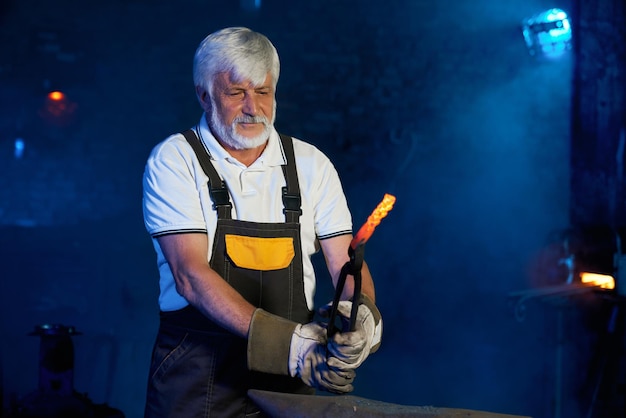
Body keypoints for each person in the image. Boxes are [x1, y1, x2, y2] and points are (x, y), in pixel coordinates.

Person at [142, 27, 383, 418]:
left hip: (294, 376)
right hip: (198, 374)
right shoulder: (175, 160)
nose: (252, 107)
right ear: (205, 96)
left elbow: (347, 262)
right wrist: (290, 346)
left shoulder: (311, 165)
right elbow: (189, 274)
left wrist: (364, 319)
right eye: (236, 93)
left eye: (263, 91)